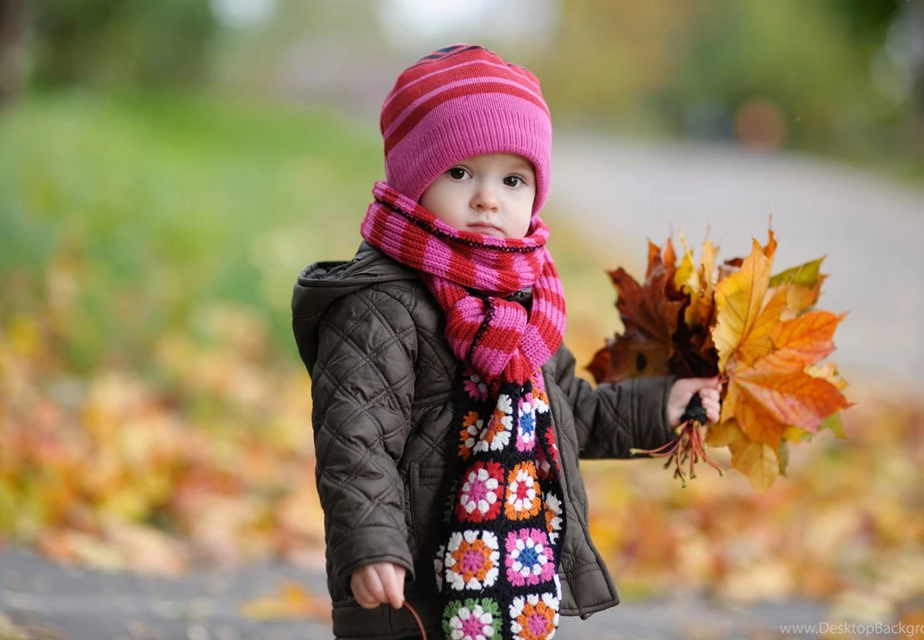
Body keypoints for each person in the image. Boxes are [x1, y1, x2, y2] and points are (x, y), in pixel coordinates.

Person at [291, 43, 721, 640]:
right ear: (413, 180)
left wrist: (662, 405)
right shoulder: (379, 305)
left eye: (513, 179)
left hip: (509, 579)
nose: (488, 198)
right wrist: (371, 546)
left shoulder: (525, 306)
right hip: (414, 581)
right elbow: (356, 440)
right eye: (461, 172)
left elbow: (571, 414)